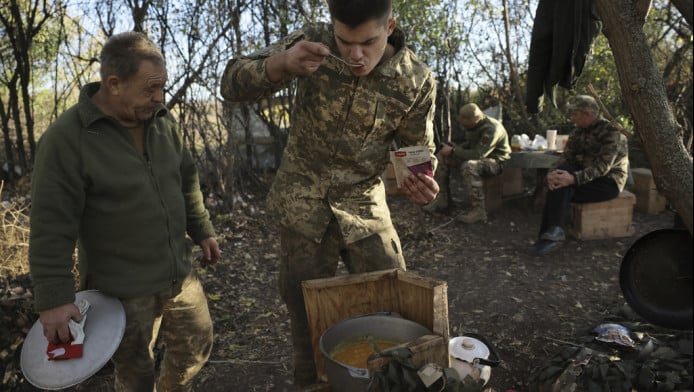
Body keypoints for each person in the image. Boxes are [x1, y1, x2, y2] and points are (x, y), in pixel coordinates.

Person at [220, 0, 439, 386]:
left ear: (390, 27)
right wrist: (281, 65)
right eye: (344, 41)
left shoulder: (416, 79)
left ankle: (387, 383)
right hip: (302, 207)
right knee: (305, 319)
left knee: (396, 306)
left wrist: (421, 179)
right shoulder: (311, 41)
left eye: (367, 42)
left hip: (365, 210)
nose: (355, 55)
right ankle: (309, 382)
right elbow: (231, 82)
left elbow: (416, 152)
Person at [29, 31, 221, 391]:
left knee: (197, 344)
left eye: (162, 87)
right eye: (150, 89)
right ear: (114, 84)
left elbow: (185, 181)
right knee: (136, 374)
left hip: (178, 275)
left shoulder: (162, 121)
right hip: (122, 291)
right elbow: (51, 224)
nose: (160, 97)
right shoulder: (66, 139)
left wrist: (202, 230)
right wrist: (53, 299)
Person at [530, 94, 629, 255]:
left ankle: (552, 235)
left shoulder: (612, 133)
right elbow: (566, 157)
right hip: (583, 176)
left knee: (563, 185)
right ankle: (551, 233)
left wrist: (573, 179)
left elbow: (602, 167)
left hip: (607, 182)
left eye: (575, 114)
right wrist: (551, 173)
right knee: (559, 179)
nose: (572, 118)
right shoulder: (578, 131)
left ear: (587, 114)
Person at [423, 103, 511, 223]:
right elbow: (471, 144)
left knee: (469, 166)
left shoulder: (491, 129)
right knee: (441, 157)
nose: (462, 125)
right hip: (479, 158)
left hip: (496, 161)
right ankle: (441, 199)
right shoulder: (474, 126)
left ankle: (479, 211)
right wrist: (455, 148)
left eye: (465, 123)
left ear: (474, 120)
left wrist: (454, 151)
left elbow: (478, 154)